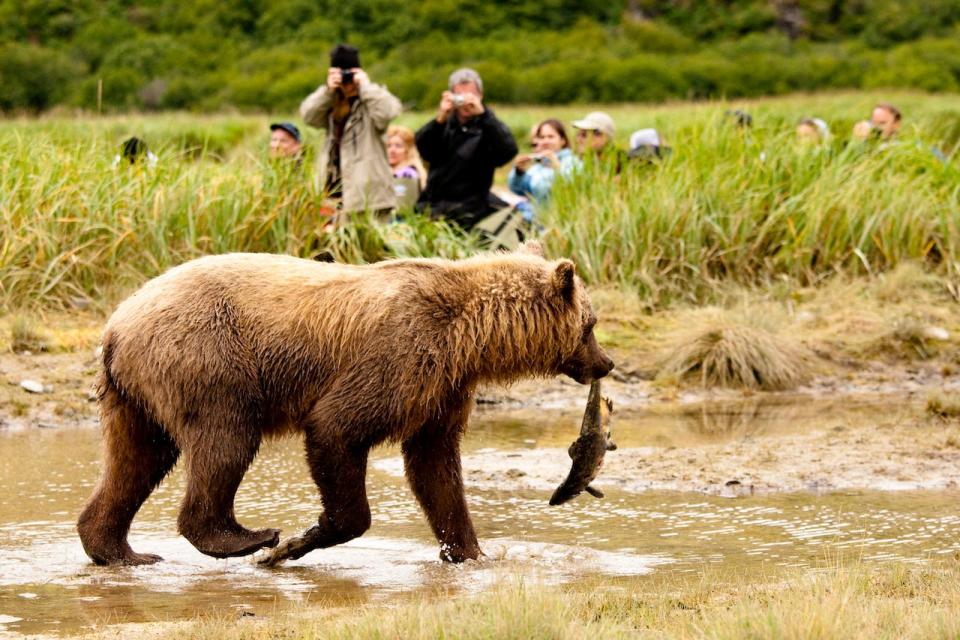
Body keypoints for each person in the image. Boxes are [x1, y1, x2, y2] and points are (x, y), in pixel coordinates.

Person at [300, 44, 402, 216]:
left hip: (370, 197)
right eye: (342, 74)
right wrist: (328, 90)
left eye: (349, 74)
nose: (346, 81)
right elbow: (308, 116)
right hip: (333, 192)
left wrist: (365, 86)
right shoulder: (330, 102)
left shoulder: (371, 99)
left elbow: (389, 112)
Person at [415, 68, 518, 231]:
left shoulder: (488, 125)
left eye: (471, 96)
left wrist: (485, 117)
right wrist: (439, 119)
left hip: (472, 209)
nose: (465, 102)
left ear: (481, 96)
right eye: (459, 96)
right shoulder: (444, 124)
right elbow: (423, 149)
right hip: (434, 205)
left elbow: (508, 151)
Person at [507, 118, 581, 204]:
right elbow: (519, 190)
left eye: (550, 137)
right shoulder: (539, 166)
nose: (545, 141)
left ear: (563, 140)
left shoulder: (574, 162)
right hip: (537, 215)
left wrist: (556, 167)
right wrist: (519, 172)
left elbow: (573, 189)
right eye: (542, 137)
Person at [386, 125, 426, 208]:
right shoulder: (386, 171)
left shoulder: (407, 173)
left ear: (407, 150)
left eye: (398, 146)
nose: (392, 150)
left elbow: (402, 206)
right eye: (388, 146)